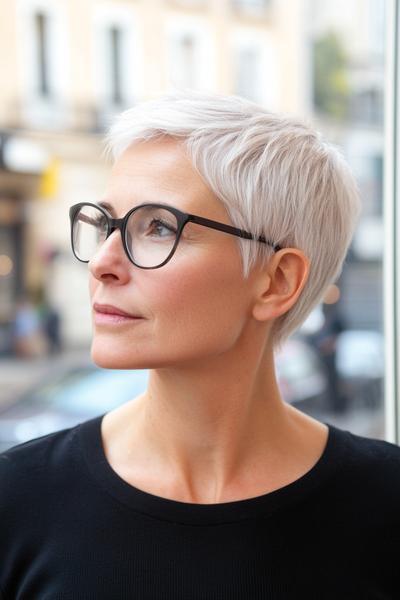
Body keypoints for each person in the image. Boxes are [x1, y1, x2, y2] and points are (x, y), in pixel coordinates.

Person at [1, 91, 399, 599]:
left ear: (277, 281)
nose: (102, 260)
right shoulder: (17, 499)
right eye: (106, 223)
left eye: (158, 227)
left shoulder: (386, 507)